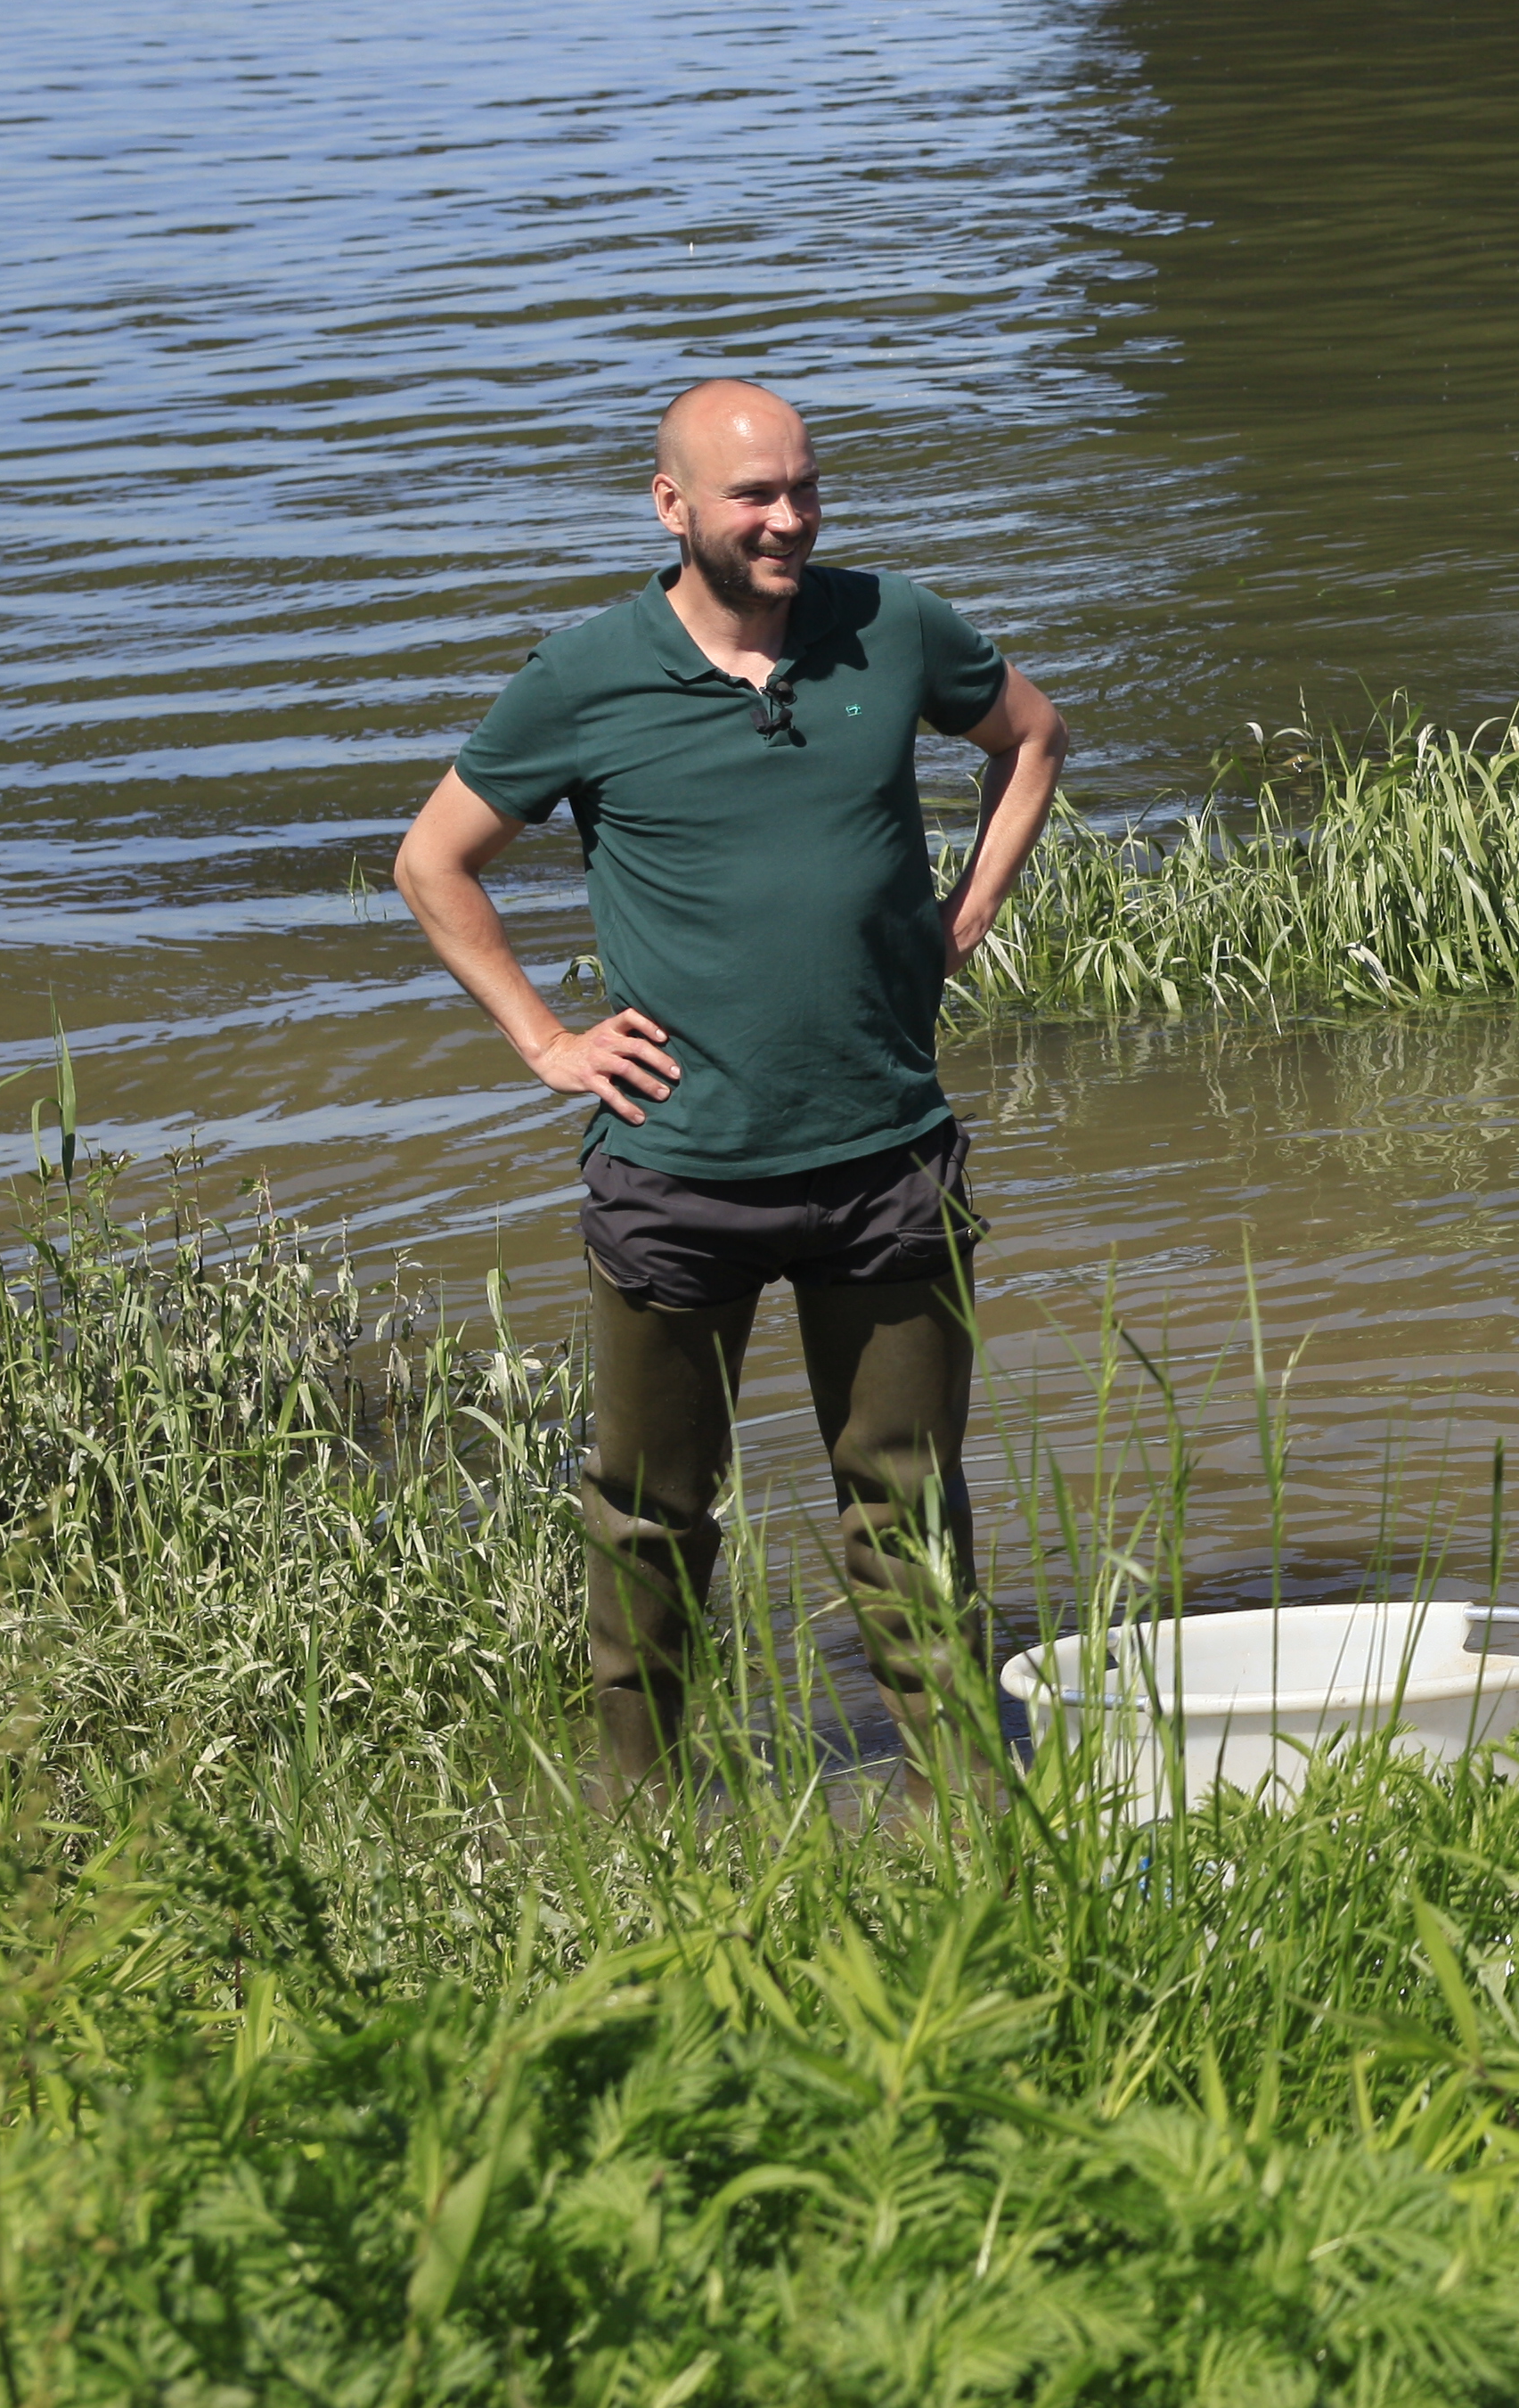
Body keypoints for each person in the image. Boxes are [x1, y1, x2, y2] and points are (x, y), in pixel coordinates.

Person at [392, 380, 1069, 1799]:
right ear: (673, 506)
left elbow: (1032, 739)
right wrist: (545, 1041)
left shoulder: (894, 625)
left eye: (805, 489)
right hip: (678, 1170)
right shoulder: (585, 676)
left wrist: (967, 918)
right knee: (649, 1516)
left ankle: (973, 1819)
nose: (787, 519)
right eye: (754, 495)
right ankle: (640, 1822)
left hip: (888, 1159)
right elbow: (432, 862)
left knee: (911, 1514)